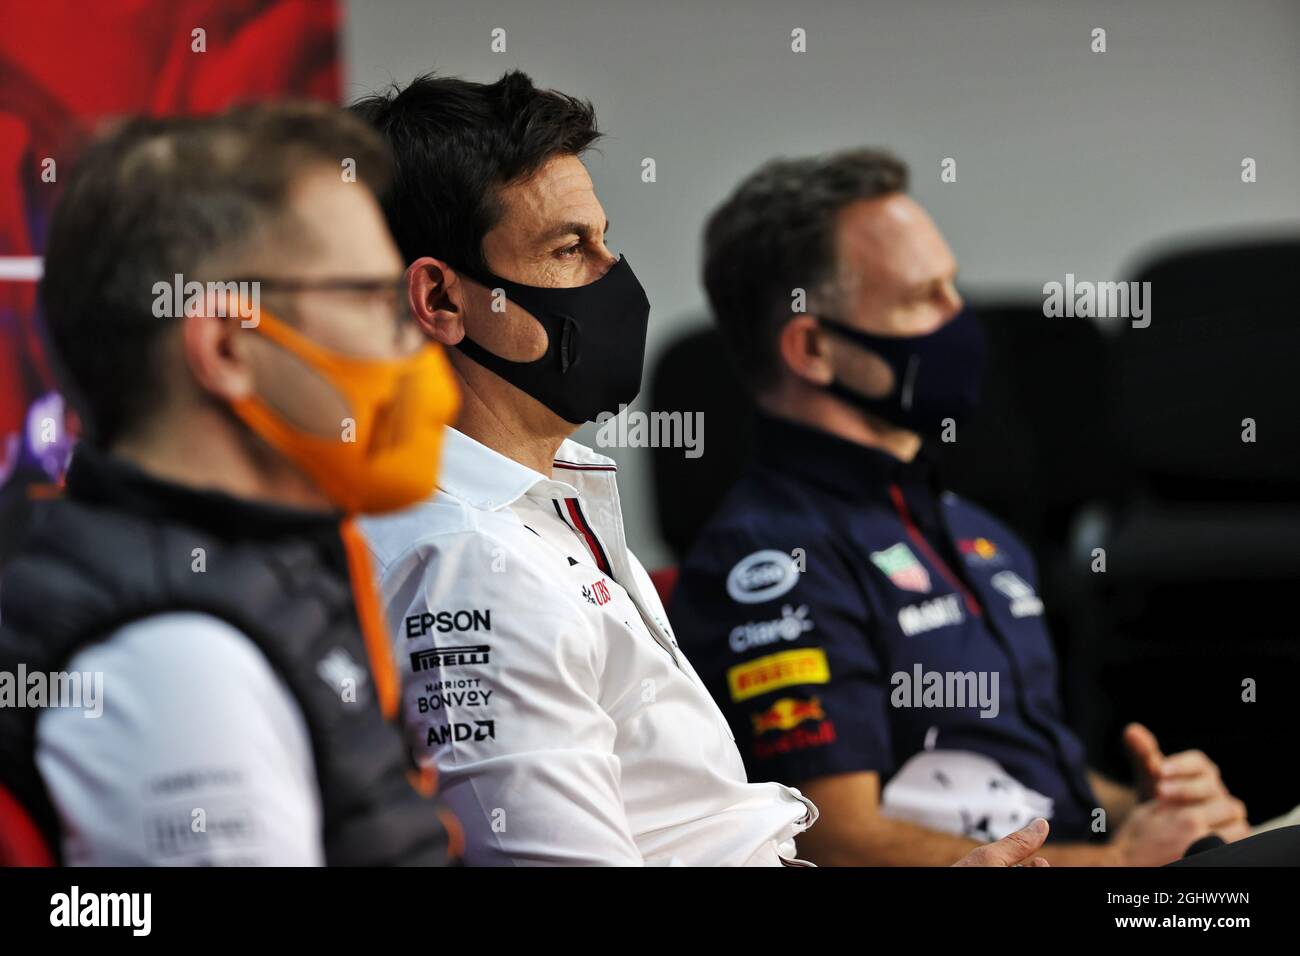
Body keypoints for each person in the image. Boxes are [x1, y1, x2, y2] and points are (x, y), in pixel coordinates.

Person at [353, 71, 1050, 866]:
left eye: (606, 239)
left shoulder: (557, 495)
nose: (614, 276)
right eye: (569, 247)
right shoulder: (472, 565)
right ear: (442, 300)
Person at [668, 149, 1250, 866]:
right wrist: (1123, 865)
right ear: (814, 346)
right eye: (922, 297)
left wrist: (1160, 809)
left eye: (953, 287)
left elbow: (1021, 778)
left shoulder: (975, 530)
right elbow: (833, 838)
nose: (960, 317)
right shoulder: (769, 560)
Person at [0, 103, 461, 865]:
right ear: (226, 346)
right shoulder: (178, 665)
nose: (417, 344)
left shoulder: (262, 568)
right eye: (378, 303)